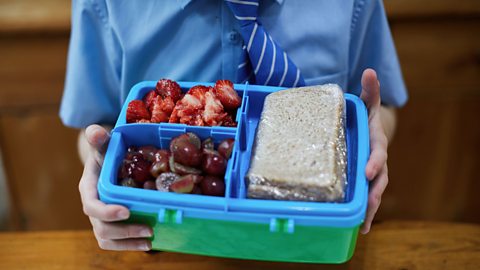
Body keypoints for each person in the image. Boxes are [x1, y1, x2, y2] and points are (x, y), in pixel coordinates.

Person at [61, 0, 408, 251]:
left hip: (313, 242)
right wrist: (101, 168)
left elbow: (379, 110)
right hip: (176, 245)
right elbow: (96, 130)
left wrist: (373, 135)